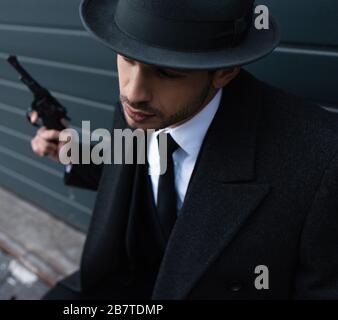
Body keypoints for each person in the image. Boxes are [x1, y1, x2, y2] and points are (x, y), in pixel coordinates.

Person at [31, 0, 338, 299]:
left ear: (225, 71)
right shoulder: (143, 109)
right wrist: (76, 157)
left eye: (167, 72)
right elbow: (139, 180)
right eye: (127, 57)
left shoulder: (322, 161)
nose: (132, 92)